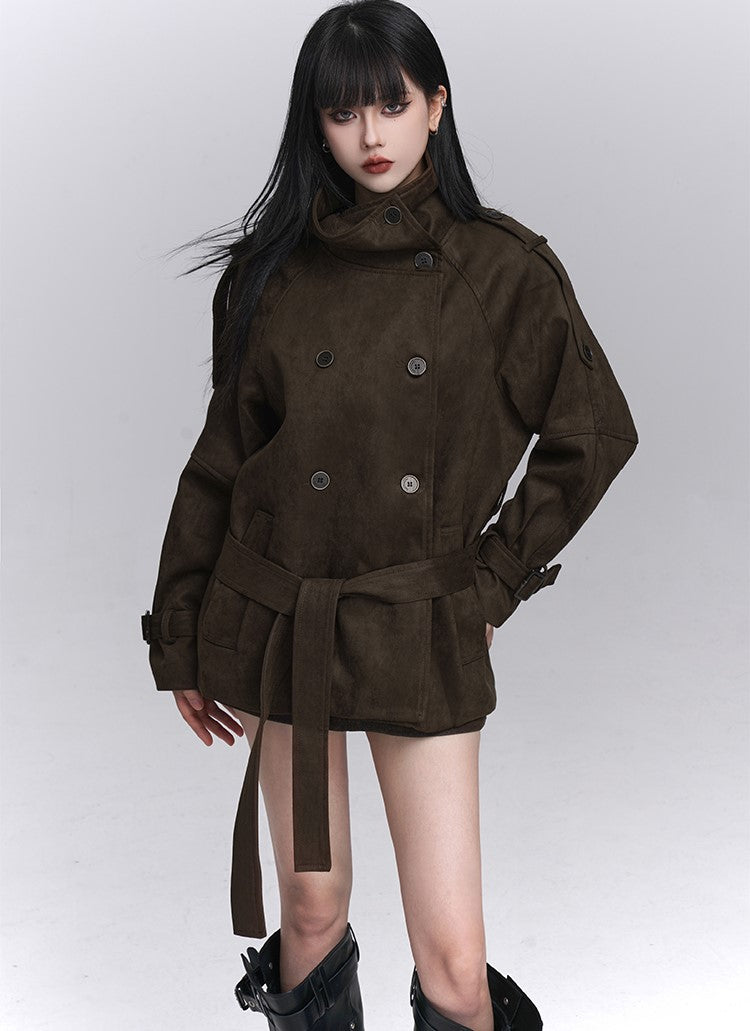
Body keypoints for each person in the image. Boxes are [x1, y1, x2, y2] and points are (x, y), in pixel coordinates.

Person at [140, 2, 639, 1028]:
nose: (370, 135)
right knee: (310, 911)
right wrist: (181, 632)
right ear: (314, 124)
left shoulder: (501, 271)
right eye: (342, 112)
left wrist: (493, 581)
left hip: (416, 622)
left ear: (436, 106)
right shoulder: (270, 273)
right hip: (285, 616)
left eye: (393, 105)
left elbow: (594, 432)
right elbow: (222, 465)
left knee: (454, 959)